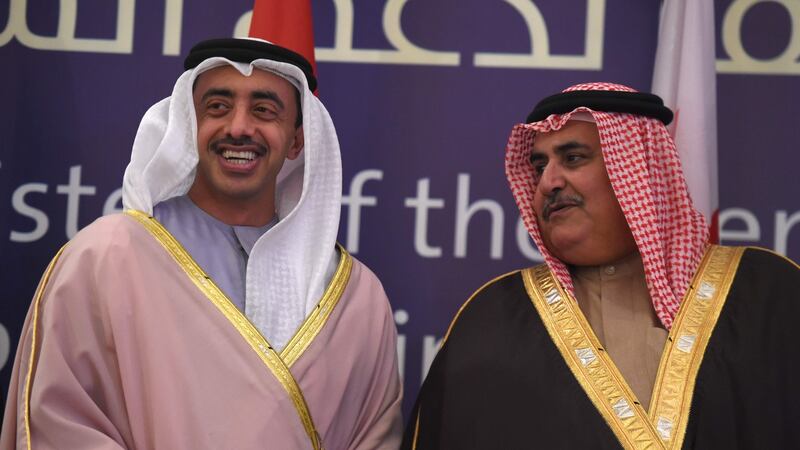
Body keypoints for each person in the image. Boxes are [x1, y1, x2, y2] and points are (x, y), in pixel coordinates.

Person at [1, 38, 402, 449]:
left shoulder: (356, 299)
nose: (240, 127)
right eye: (218, 107)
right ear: (189, 126)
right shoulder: (106, 258)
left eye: (264, 110)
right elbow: (62, 424)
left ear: (297, 141)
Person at [402, 82, 800, 449]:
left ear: (640, 170)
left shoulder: (766, 295)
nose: (548, 183)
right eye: (539, 167)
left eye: (573, 158)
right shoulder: (493, 316)